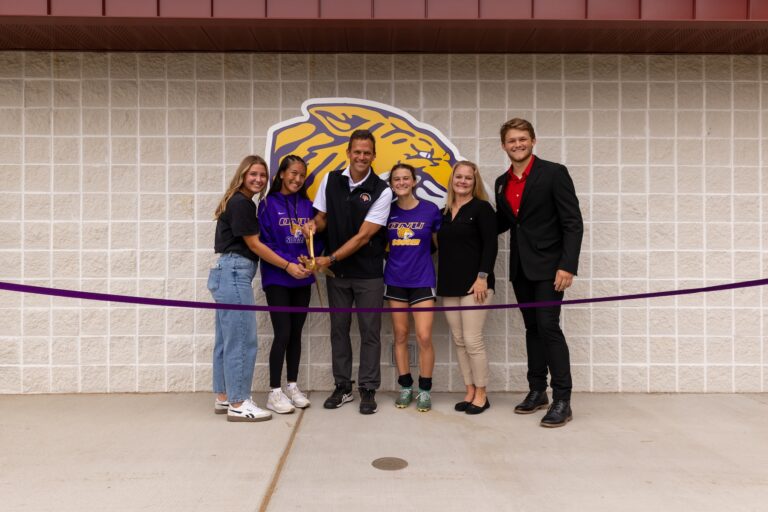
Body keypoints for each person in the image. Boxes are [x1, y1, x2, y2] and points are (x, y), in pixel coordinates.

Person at [494, 118, 583, 428]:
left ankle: (563, 399)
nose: (517, 144)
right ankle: (536, 390)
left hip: (550, 267)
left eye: (522, 139)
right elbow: (505, 222)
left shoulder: (554, 173)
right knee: (532, 328)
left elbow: (572, 221)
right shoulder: (502, 182)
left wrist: (567, 265)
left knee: (549, 327)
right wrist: (459, 218)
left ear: (532, 141)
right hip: (521, 268)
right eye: (511, 141)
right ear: (503, 146)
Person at [302, 129, 393, 415]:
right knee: (338, 331)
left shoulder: (383, 189)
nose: (362, 157)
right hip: (337, 276)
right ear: (349, 152)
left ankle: (368, 389)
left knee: (370, 333)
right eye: (357, 151)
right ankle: (343, 387)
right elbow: (323, 217)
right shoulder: (330, 179)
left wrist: (329, 258)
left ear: (374, 155)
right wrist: (314, 226)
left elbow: (364, 236)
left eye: (367, 152)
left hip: (368, 274)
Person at [208, 155, 272, 422]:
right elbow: (255, 245)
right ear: (243, 175)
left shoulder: (238, 201)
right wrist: (289, 265)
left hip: (227, 272)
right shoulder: (242, 203)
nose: (258, 179)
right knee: (243, 340)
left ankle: (224, 396)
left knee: (227, 340)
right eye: (253, 174)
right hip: (234, 273)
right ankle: (238, 402)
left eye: (263, 176)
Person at [255, 155, 319, 414]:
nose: (297, 179)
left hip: (302, 277)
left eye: (302, 175)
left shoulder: (306, 205)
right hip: (278, 277)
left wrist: (309, 257)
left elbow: (315, 242)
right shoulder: (267, 204)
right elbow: (265, 243)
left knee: (295, 333)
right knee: (282, 333)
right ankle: (274, 391)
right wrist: (290, 263)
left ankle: (292, 385)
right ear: (281, 174)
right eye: (293, 173)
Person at [436, 161, 498, 415]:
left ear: (475, 182)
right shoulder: (443, 212)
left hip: (476, 285)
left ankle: (482, 393)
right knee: (459, 341)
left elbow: (490, 246)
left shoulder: (482, 209)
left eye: (468, 178)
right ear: (452, 180)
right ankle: (470, 389)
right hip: (450, 284)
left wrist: (482, 276)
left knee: (473, 340)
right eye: (458, 177)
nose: (462, 181)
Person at [384, 164, 442, 412]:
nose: (401, 182)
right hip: (395, 280)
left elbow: (438, 245)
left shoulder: (430, 210)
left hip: (421, 281)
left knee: (424, 336)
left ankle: (425, 390)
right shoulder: (386, 211)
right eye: (396, 179)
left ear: (414, 181)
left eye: (405, 178)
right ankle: (405, 387)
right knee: (399, 336)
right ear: (391, 184)